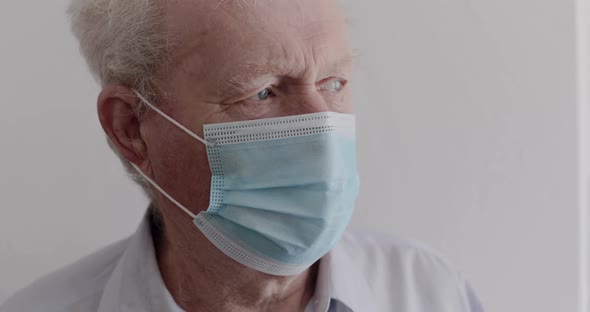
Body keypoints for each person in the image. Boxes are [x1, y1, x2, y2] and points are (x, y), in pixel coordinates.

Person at [0, 0, 484, 311]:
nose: (321, 131)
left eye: (333, 83)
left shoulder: (429, 292)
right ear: (132, 128)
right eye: (263, 93)